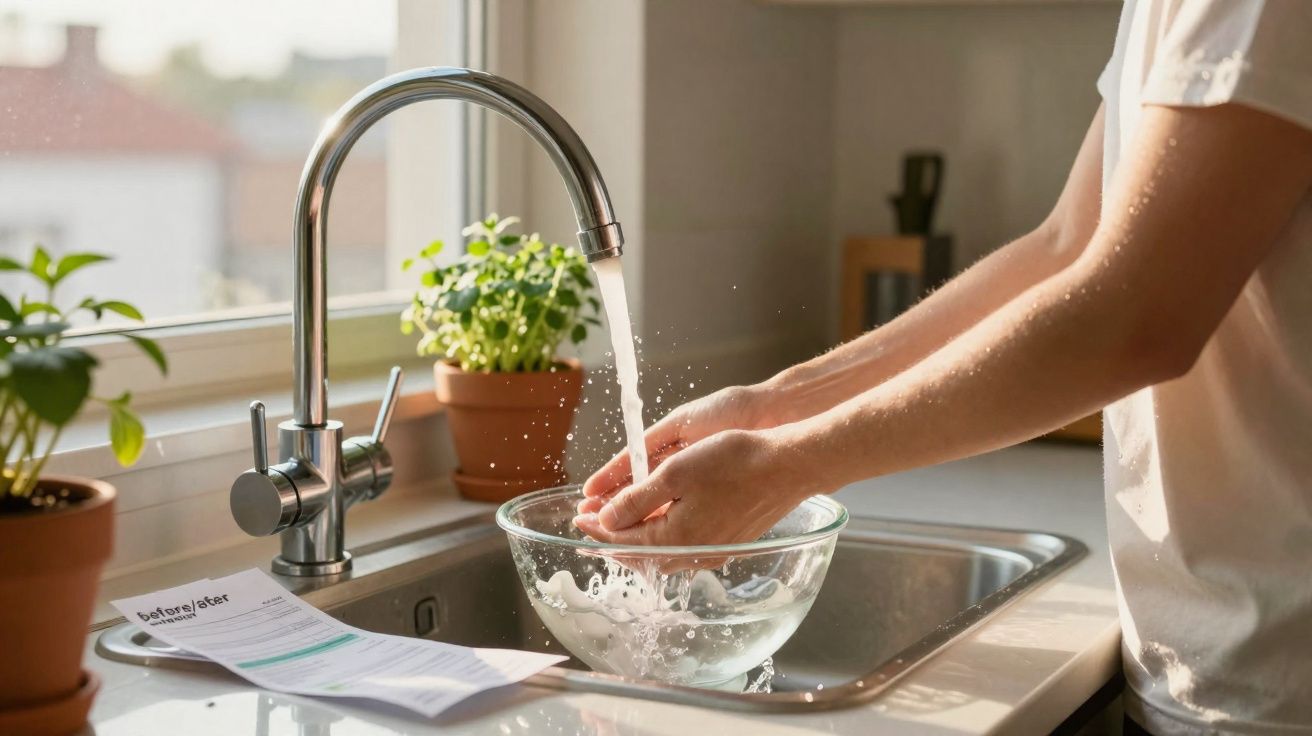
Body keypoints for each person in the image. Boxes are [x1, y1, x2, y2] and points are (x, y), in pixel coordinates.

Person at [573, 1, 1312, 733]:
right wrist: (779, 404)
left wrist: (787, 466)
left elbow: (1136, 315)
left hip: (1277, 685)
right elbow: (1065, 247)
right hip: (1210, 668)